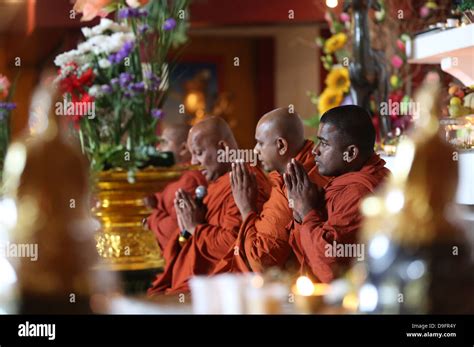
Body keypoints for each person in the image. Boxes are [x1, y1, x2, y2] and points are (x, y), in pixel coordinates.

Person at [148, 116, 270, 295]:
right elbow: (193, 236)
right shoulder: (217, 184)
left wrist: (195, 227)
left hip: (224, 289)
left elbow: (234, 245)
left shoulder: (243, 181)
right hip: (201, 282)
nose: (194, 162)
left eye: (199, 153)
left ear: (223, 148)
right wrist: (186, 231)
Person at [212, 107, 328, 274]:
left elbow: (262, 259)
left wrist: (246, 208)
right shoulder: (296, 168)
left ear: (281, 145)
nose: (255, 151)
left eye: (260, 143)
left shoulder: (295, 182)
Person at [285, 105, 391, 282]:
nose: (315, 150)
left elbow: (329, 266)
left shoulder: (360, 193)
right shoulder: (348, 178)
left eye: (324, 143)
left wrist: (306, 212)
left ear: (350, 153)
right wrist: (300, 213)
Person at [144, 123, 206, 251]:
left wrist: (150, 211)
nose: (158, 148)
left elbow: (174, 233)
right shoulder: (174, 175)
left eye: (164, 143)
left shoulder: (189, 180)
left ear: (183, 148)